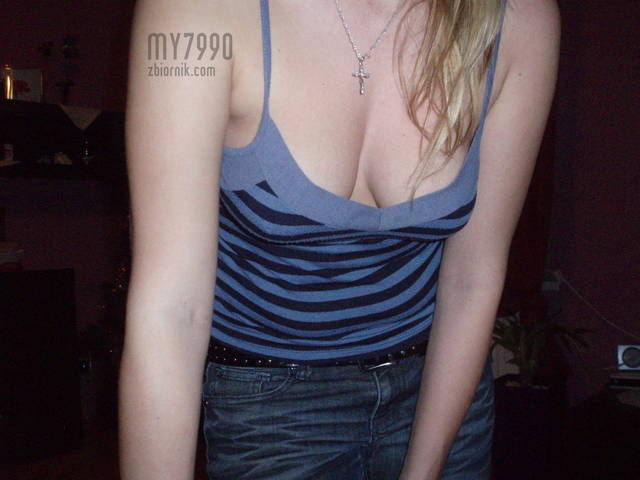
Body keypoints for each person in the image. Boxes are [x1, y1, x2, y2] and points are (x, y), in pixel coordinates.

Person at [119, 0, 560, 479]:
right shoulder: (193, 11)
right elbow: (171, 310)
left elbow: (473, 278)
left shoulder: (519, 18)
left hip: (439, 384)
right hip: (271, 403)